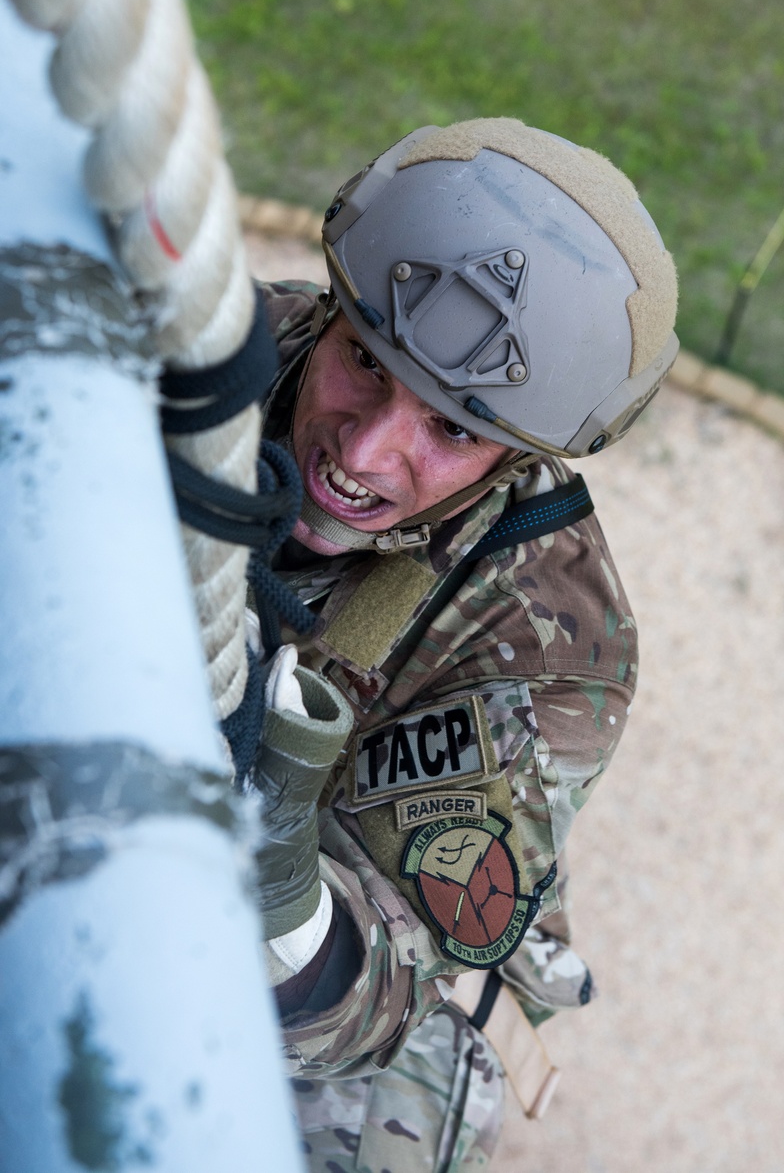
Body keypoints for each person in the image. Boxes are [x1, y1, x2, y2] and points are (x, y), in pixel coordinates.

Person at [240, 117, 678, 1172]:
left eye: (450, 428)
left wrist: (266, 842)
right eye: (363, 363)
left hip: (363, 920)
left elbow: (359, 1005)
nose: (365, 450)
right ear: (334, 316)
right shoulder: (226, 351)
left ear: (516, 456)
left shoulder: (548, 645)